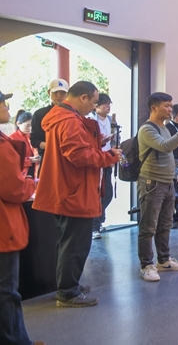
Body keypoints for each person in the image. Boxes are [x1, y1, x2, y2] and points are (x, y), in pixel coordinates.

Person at [33, 81, 122, 307]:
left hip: (65, 189)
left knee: (67, 242)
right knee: (75, 245)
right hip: (75, 191)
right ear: (83, 97)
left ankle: (66, 285)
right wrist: (109, 156)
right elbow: (79, 155)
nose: (93, 107)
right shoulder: (70, 120)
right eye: (93, 102)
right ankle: (67, 292)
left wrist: (98, 145)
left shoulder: (59, 117)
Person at [137, 92, 178, 282]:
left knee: (165, 224)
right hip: (152, 183)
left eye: (171, 105)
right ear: (154, 108)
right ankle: (146, 265)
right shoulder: (147, 129)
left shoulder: (163, 127)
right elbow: (166, 147)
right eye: (167, 106)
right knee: (148, 226)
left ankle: (163, 259)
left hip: (167, 182)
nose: (170, 109)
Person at [0, 90, 43, 344]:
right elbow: (13, 188)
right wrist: (31, 183)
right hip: (3, 228)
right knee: (6, 292)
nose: (7, 107)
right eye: (3, 103)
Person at [90, 94, 114, 240]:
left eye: (109, 103)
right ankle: (94, 226)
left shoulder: (110, 120)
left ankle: (99, 220)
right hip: (97, 161)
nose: (108, 106)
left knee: (107, 193)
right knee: (97, 194)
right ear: (96, 106)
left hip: (107, 160)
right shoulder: (91, 120)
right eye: (105, 104)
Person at [29, 78, 68, 154]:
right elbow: (35, 141)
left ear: (67, 94)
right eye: (55, 92)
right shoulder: (39, 114)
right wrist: (54, 146)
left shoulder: (73, 113)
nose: (59, 95)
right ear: (49, 92)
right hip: (48, 155)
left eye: (62, 92)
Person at [9, 110, 37, 177]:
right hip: (22, 172)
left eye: (32, 126)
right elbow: (11, 161)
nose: (30, 128)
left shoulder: (32, 136)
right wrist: (29, 160)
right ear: (18, 124)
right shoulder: (12, 139)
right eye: (27, 125)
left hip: (35, 169)